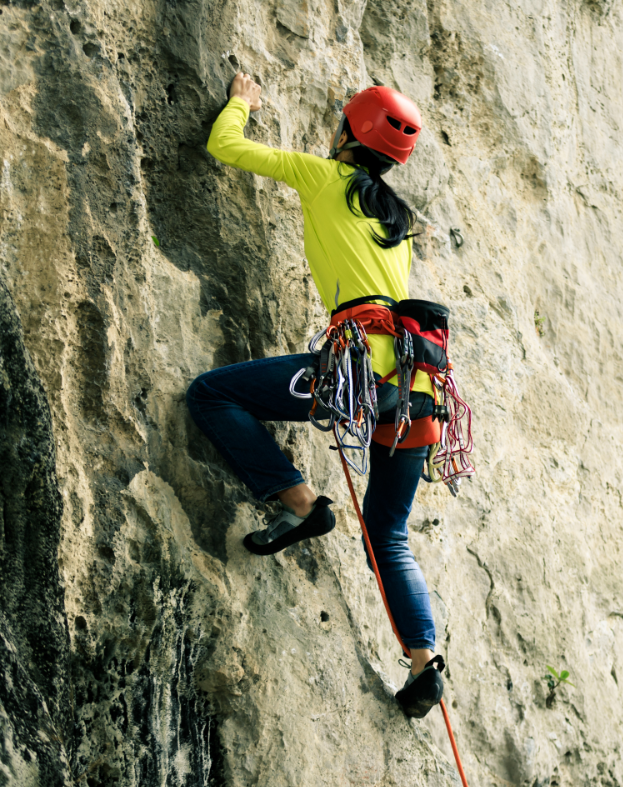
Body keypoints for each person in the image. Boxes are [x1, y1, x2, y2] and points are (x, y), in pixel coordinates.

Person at [187, 73, 445, 718]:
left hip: (355, 372)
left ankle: (302, 504)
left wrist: (243, 96)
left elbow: (227, 146)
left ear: (348, 134)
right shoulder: (399, 218)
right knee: (388, 532)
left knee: (213, 395)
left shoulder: (325, 177)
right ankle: (423, 664)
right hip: (416, 387)